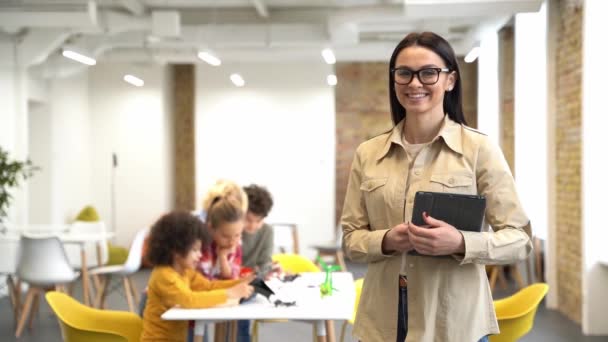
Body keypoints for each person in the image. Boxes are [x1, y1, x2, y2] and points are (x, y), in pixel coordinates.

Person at [340, 31, 532, 342]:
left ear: (450, 80)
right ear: (394, 80)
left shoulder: (478, 149)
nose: (415, 83)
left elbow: (520, 238)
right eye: (404, 73)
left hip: (453, 323)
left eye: (429, 72)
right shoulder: (368, 153)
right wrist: (388, 239)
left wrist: (459, 242)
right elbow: (350, 239)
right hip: (383, 322)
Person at [141, 211, 254, 342]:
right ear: (176, 251)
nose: (200, 255)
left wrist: (240, 282)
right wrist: (229, 293)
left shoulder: (185, 271)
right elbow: (189, 300)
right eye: (195, 250)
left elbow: (208, 286)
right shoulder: (164, 275)